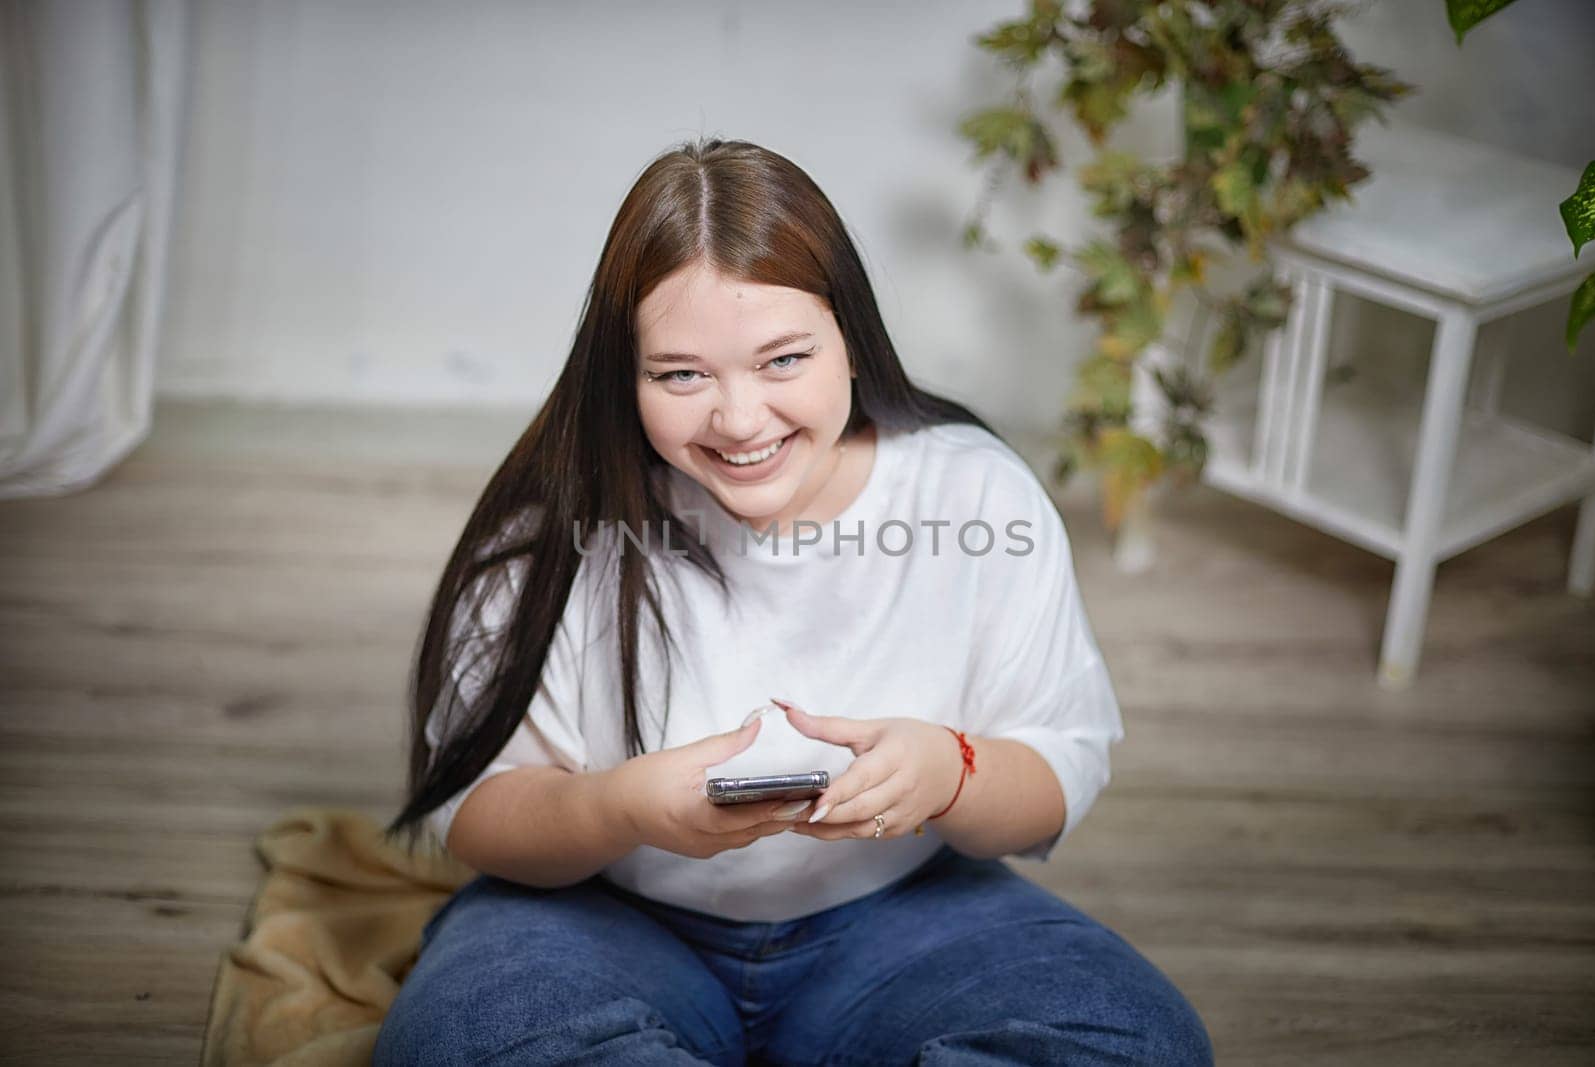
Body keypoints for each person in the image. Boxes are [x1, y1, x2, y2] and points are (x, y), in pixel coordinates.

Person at [375, 138, 1213, 1066]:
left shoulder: (974, 495)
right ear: (627, 374)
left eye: (783, 360)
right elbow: (479, 812)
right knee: (467, 1039)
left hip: (899, 917)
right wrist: (622, 809)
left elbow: (1056, 771)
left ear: (850, 338)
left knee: (1139, 1043)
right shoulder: (559, 522)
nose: (739, 420)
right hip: (602, 917)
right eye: (682, 374)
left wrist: (950, 770)